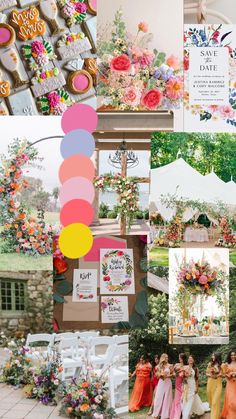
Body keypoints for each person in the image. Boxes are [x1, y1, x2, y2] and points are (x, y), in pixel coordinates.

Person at [152, 353, 173, 419]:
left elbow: (173, 374)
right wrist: (160, 375)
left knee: (167, 397)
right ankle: (157, 413)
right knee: (158, 397)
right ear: (162, 358)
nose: (167, 358)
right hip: (161, 383)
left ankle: (165, 414)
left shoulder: (170, 365)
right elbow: (157, 375)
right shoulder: (159, 366)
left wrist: (167, 376)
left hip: (168, 383)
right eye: (165, 357)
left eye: (167, 357)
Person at [170, 353, 188, 419]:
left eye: (180, 358)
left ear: (183, 359)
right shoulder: (177, 365)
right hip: (177, 384)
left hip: (183, 384)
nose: (179, 359)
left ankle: (183, 412)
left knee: (183, 399)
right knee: (177, 400)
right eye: (179, 358)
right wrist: (176, 373)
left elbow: (187, 376)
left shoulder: (186, 366)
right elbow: (173, 373)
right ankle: (177, 414)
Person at [206, 352, 223, 419]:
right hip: (210, 383)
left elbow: (224, 374)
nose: (212, 357)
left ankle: (213, 417)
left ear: (217, 357)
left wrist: (219, 374)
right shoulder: (210, 364)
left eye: (213, 356)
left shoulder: (222, 365)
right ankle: (217, 415)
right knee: (211, 402)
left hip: (218, 385)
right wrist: (211, 375)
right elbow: (206, 373)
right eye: (212, 355)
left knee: (215, 402)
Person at [221, 350, 236, 418]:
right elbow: (224, 374)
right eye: (231, 355)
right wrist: (230, 374)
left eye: (234, 355)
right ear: (229, 356)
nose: (233, 356)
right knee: (231, 400)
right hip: (230, 384)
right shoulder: (227, 364)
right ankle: (231, 416)